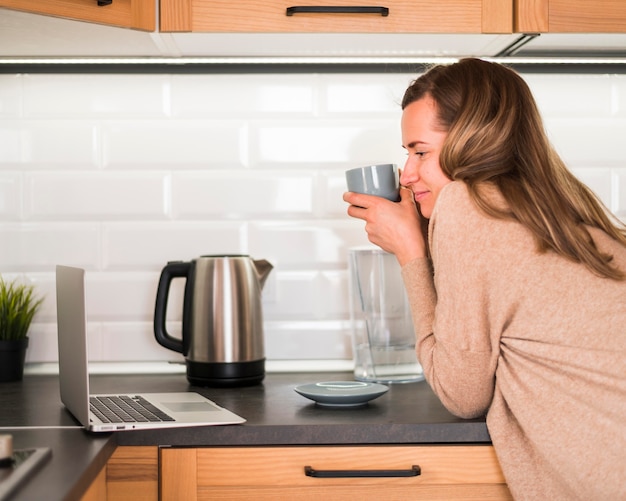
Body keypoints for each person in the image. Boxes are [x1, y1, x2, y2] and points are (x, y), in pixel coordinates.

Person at [343, 58, 626, 501]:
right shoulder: (554, 213)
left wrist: (411, 253)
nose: (407, 173)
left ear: (474, 141)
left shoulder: (466, 205)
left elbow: (462, 393)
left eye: (420, 152)